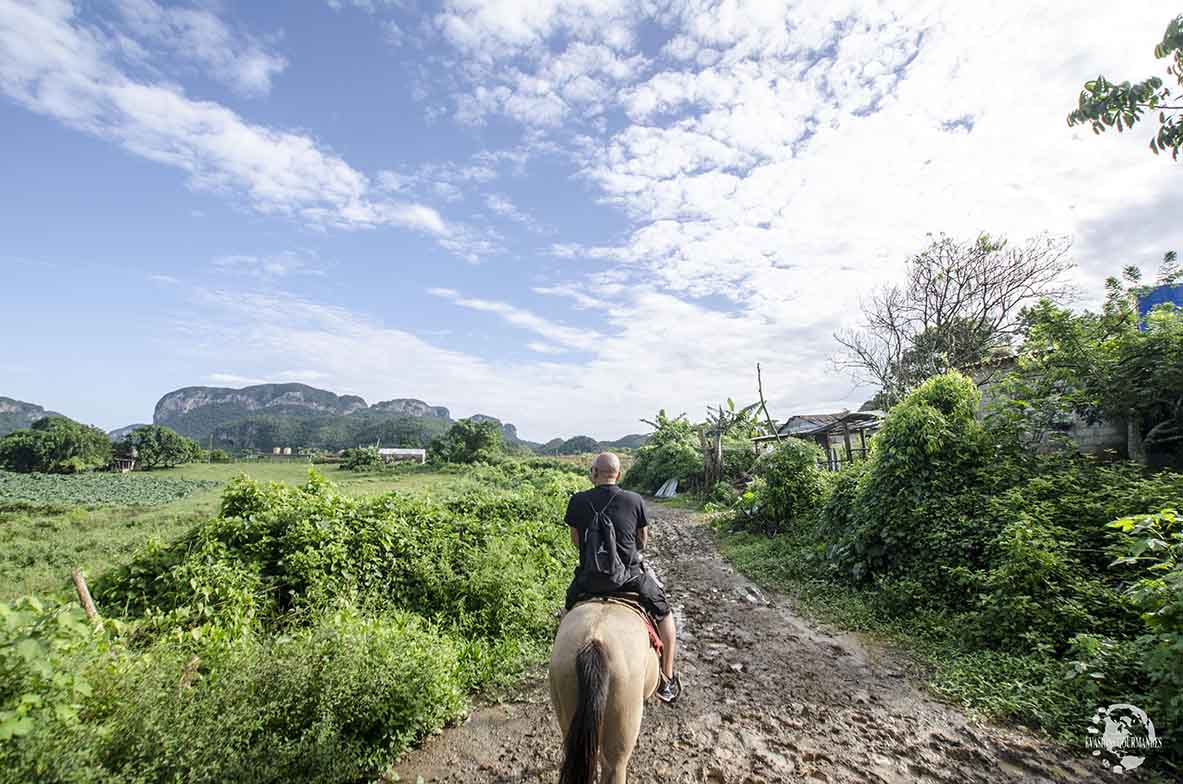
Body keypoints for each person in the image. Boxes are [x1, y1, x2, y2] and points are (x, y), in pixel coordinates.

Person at [563, 451, 681, 703]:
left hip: (588, 579)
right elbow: (643, 541)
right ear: (619, 474)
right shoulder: (634, 499)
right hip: (629, 578)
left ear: (593, 473)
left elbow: (576, 541)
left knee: (566, 613)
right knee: (666, 615)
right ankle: (667, 680)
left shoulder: (578, 500)